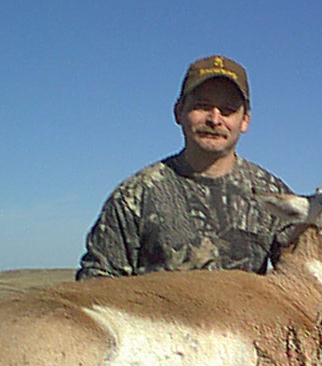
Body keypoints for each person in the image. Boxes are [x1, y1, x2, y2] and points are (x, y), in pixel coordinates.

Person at [76, 55, 294, 280]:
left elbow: (301, 278)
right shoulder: (136, 195)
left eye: (227, 110)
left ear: (245, 120)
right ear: (178, 111)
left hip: (245, 315)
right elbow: (96, 280)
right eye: (202, 106)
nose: (214, 119)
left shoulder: (273, 197)